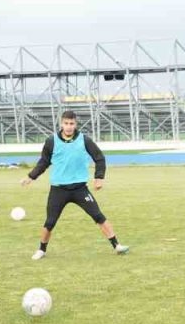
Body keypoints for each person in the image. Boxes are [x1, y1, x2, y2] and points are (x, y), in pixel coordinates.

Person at [21, 110, 128, 259]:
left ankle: (117, 245)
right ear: (61, 124)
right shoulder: (51, 141)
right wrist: (31, 177)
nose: (69, 127)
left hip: (80, 189)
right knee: (50, 222)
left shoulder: (85, 140)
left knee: (98, 216)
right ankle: (41, 250)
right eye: (66, 123)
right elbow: (44, 162)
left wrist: (99, 177)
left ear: (75, 124)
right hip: (58, 189)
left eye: (72, 124)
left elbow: (99, 158)